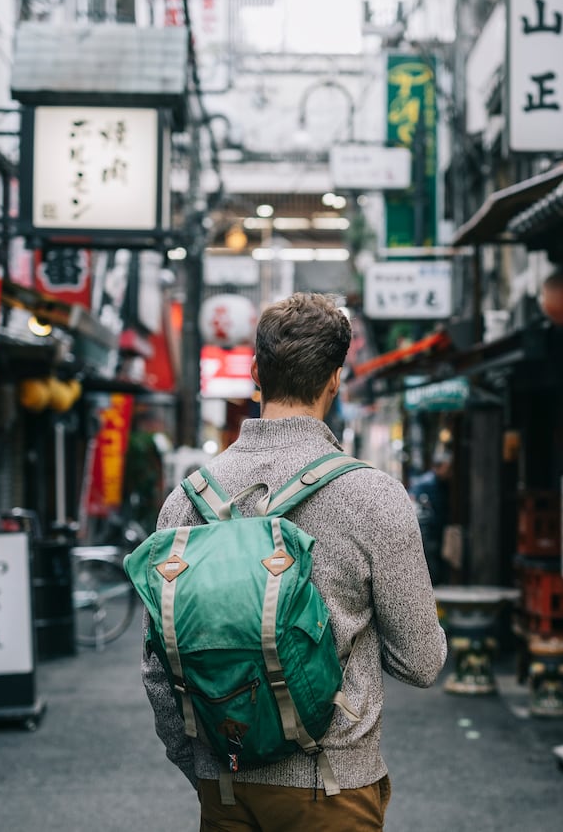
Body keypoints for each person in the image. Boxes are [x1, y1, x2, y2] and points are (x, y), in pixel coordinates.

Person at [142, 292, 447, 831]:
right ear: (335, 378)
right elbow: (421, 662)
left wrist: (203, 767)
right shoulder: (373, 496)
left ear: (256, 372)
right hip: (331, 787)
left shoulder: (186, 500)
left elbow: (157, 665)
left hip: (226, 787)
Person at [409, 451, 451, 585]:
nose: (449, 472)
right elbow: (412, 499)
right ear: (439, 467)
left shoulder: (441, 483)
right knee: (431, 559)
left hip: (438, 527)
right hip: (428, 529)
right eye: (447, 468)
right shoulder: (425, 482)